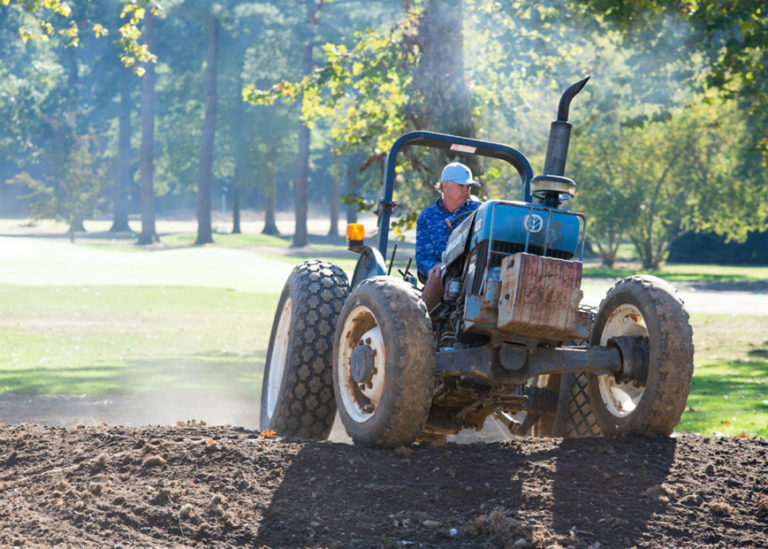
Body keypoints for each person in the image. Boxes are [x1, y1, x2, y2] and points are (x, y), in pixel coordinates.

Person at [416, 161, 481, 312]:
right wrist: (433, 267)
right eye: (462, 186)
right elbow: (422, 258)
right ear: (445, 186)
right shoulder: (427, 216)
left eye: (469, 187)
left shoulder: (479, 211)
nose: (467, 191)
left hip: (471, 269)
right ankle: (418, 322)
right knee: (438, 276)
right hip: (443, 274)